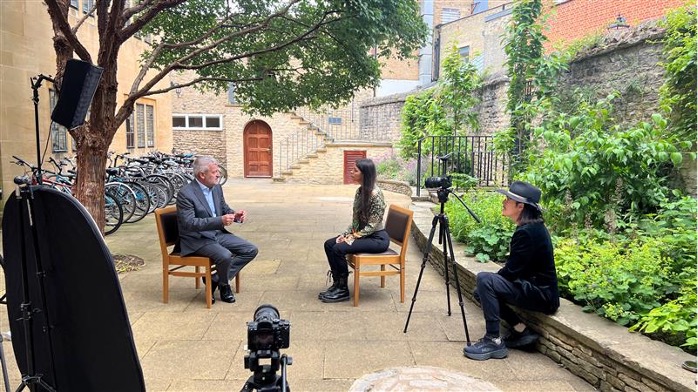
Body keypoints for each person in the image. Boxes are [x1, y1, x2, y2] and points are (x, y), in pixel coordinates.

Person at [463, 181, 559, 361]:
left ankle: (493, 340)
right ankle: (521, 330)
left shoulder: (528, 232)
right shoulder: (532, 228)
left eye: (508, 199)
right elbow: (516, 270)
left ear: (520, 206)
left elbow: (511, 272)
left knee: (485, 280)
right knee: (481, 291)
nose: (504, 202)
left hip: (541, 295)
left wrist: (491, 281)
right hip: (535, 289)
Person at [176, 156, 258, 304]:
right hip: (197, 239)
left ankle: (215, 279)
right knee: (225, 255)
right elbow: (189, 223)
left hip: (217, 234)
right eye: (214, 172)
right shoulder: (186, 194)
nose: (218, 174)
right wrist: (219, 221)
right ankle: (225, 286)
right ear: (202, 175)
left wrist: (236, 216)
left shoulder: (216, 188)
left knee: (250, 250)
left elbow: (224, 209)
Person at [319, 158, 390, 303]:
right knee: (329, 244)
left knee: (339, 249)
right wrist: (345, 234)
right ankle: (337, 283)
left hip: (377, 239)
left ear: (365, 174)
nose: (351, 172)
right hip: (364, 236)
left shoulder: (376, 195)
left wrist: (351, 238)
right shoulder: (360, 191)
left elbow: (371, 226)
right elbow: (356, 221)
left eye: (355, 170)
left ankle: (343, 290)